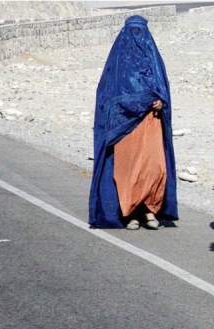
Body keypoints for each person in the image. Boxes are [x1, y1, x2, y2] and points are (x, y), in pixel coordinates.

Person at [88, 15, 178, 230]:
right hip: (124, 126)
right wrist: (131, 105)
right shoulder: (117, 62)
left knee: (154, 167)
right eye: (132, 31)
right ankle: (131, 213)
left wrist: (160, 102)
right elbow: (108, 96)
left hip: (150, 121)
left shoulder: (153, 59)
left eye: (139, 32)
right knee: (128, 169)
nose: (136, 37)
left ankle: (150, 209)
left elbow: (163, 90)